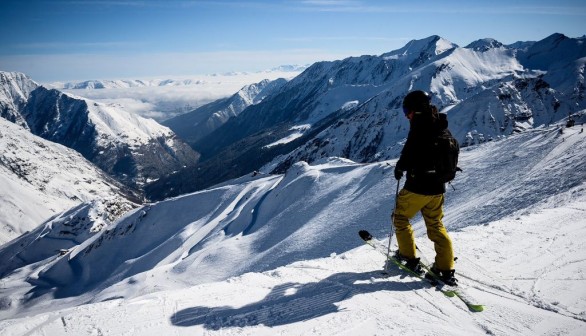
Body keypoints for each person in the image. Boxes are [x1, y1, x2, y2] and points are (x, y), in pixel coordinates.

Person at [393, 90, 457, 286]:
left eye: (407, 110)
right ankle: (445, 269)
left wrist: (400, 167)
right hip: (438, 187)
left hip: (417, 186)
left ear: (415, 109)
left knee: (401, 218)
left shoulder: (419, 127)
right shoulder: (440, 125)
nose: (406, 115)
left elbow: (409, 152)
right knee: (436, 224)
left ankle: (408, 256)